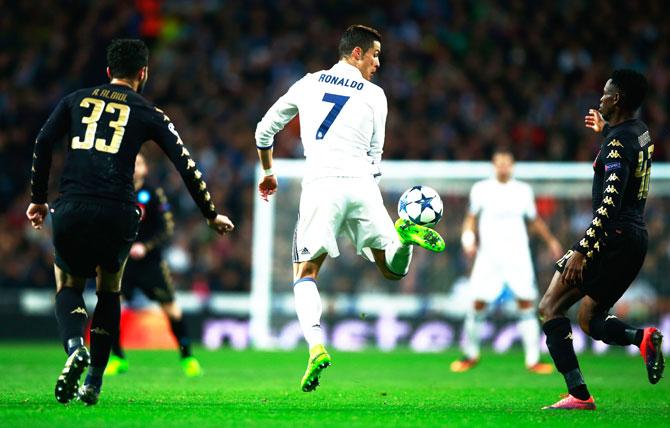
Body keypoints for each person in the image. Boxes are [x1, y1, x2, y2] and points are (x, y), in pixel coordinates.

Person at [26, 39, 234, 405]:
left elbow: (43, 141)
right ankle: (93, 383)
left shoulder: (75, 100)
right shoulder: (148, 110)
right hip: (118, 213)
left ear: (107, 72)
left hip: (72, 205)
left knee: (69, 285)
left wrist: (38, 200)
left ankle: (75, 347)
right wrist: (210, 213)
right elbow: (185, 163)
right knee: (109, 290)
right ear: (143, 73)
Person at [254, 24, 445, 392]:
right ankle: (404, 237)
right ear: (355, 53)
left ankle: (314, 347)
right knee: (391, 269)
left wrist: (269, 172)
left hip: (322, 184)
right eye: (374, 54)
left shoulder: (309, 83)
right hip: (362, 185)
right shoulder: (377, 95)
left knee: (305, 272)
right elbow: (376, 157)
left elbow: (264, 130)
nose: (378, 61)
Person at [539, 69, 664, 410]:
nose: (601, 98)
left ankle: (579, 396)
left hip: (612, 237)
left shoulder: (618, 144)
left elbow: (609, 204)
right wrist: (607, 131)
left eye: (606, 94)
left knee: (550, 308)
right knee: (590, 320)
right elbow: (622, 153)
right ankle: (643, 338)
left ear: (618, 99)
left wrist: (582, 249)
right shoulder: (639, 132)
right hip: (635, 239)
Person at [450, 148, 563, 374]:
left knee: (526, 304)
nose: (503, 166)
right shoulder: (481, 189)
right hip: (488, 257)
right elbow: (470, 219)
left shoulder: (522, 191)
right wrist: (468, 240)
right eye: (499, 162)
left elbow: (534, 220)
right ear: (494, 165)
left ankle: (533, 360)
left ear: (512, 166)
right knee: (477, 304)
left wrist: (551, 241)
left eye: (506, 163)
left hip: (517, 256)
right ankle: (470, 354)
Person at [104, 153, 202, 377]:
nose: (134, 167)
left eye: (138, 162)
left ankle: (188, 356)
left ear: (145, 168)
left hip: (151, 263)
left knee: (171, 309)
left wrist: (145, 247)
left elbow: (166, 228)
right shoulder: (115, 192)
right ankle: (117, 357)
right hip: (122, 262)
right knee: (110, 308)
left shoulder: (154, 193)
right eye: (130, 162)